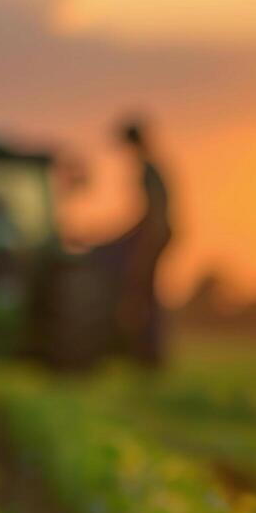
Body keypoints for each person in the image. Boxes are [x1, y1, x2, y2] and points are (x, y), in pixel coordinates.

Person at [96, 115, 175, 364]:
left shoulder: (148, 171)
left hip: (152, 237)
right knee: (145, 292)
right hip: (152, 235)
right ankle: (145, 351)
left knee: (142, 291)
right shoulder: (151, 168)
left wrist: (139, 247)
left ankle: (147, 352)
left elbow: (152, 215)